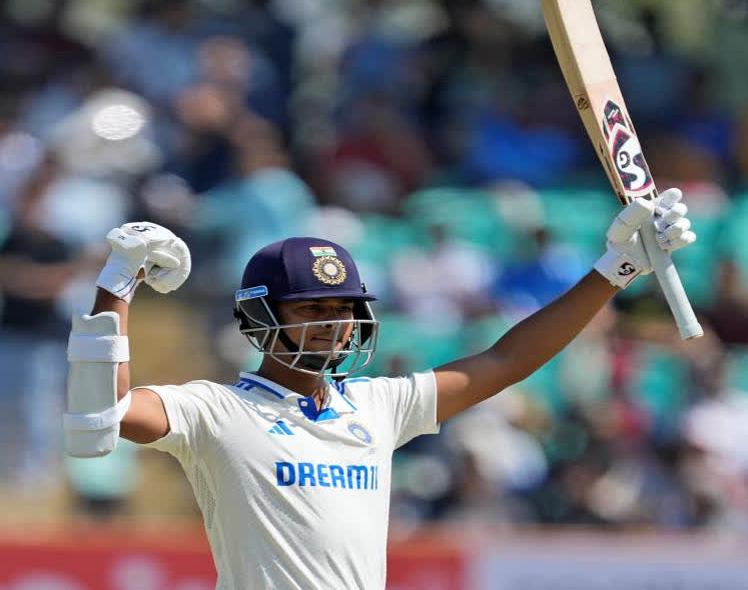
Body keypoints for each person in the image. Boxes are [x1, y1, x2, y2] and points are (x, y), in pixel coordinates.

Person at [62, 189, 695, 589]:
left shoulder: (377, 406)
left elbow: (506, 359)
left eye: (344, 308)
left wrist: (616, 270)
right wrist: (117, 283)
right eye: (312, 309)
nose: (336, 324)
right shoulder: (218, 411)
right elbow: (104, 416)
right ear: (261, 319)